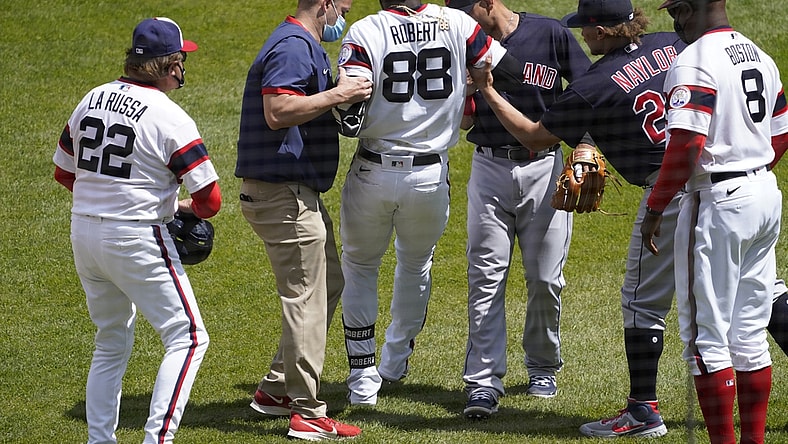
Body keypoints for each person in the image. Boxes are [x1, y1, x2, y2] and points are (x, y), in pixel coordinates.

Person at [467, 0, 690, 435]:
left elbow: (534, 134)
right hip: (718, 182)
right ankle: (487, 381)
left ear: (603, 31)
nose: (581, 37)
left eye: (586, 28)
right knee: (756, 294)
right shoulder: (673, 43)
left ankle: (641, 411)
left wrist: (488, 89)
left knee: (640, 303)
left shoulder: (596, 84)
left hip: (665, 192)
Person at [335, 0, 526, 406]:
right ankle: (395, 360)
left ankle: (362, 380)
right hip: (428, 175)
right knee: (415, 263)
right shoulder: (455, 21)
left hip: (373, 169)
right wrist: (464, 83)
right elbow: (507, 70)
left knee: (361, 268)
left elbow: (347, 115)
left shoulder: (367, 30)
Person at [53, 17, 222, 443]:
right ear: (170, 66)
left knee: (111, 339)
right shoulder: (170, 116)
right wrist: (173, 204)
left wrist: (111, 196)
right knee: (188, 337)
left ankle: (100, 440)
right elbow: (211, 201)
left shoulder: (92, 97)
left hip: (84, 234)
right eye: (181, 60)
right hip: (137, 237)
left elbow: (64, 172)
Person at [641, 0, 788, 442]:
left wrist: (655, 208)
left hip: (717, 200)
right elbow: (779, 135)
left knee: (706, 339)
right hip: (763, 193)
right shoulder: (759, 54)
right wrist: (749, 167)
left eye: (676, 11)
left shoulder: (693, 60)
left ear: (689, 8)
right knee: (748, 335)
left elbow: (686, 144)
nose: (674, 21)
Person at [447, 0, 591, 418]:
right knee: (485, 278)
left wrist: (584, 143)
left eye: (462, 8)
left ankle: (543, 366)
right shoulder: (460, 41)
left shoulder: (549, 34)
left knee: (546, 279)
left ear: (487, 2)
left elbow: (590, 89)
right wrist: (469, 91)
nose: (456, 18)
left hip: (544, 169)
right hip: (489, 168)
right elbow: (464, 122)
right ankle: (483, 382)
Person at [235, 0, 372, 440]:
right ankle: (308, 412)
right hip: (282, 196)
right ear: (326, 3)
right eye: (344, 6)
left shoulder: (302, 42)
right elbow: (278, 112)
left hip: (292, 193)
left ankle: (276, 390)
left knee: (328, 281)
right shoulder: (294, 45)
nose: (345, 14)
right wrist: (340, 94)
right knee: (306, 298)